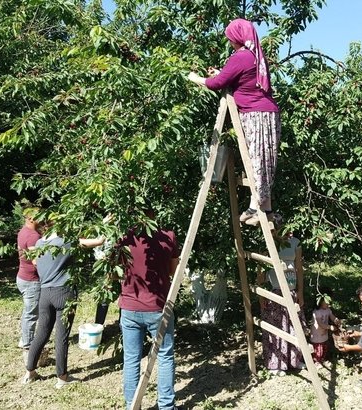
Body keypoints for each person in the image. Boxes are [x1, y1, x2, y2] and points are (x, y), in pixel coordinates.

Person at [188, 18, 281, 226]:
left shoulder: (241, 56)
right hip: (268, 113)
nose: (230, 42)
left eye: (230, 38)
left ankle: (254, 207)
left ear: (237, 38)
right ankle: (265, 208)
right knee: (265, 160)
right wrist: (222, 74)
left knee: (256, 159)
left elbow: (217, 83)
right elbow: (239, 78)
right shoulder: (256, 55)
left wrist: (196, 79)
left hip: (255, 115)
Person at [117, 207, 180, 410]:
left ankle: (131, 405)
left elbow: (114, 272)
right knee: (165, 356)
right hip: (158, 307)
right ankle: (166, 406)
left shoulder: (124, 238)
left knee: (131, 358)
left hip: (129, 307)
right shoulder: (168, 237)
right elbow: (172, 271)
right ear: (154, 214)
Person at [22, 224, 79, 389]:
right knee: (61, 337)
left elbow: (35, 261)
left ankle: (30, 372)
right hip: (64, 294)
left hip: (45, 294)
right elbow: (97, 241)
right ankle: (62, 377)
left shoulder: (40, 243)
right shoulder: (65, 242)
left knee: (41, 333)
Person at [257, 230, 305, 375]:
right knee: (276, 327)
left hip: (291, 290)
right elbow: (261, 271)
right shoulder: (268, 243)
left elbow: (299, 268)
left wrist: (300, 291)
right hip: (274, 289)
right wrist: (261, 294)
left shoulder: (295, 242)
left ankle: (294, 360)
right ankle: (275, 364)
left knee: (293, 326)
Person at [16, 208, 41, 353]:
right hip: (31, 280)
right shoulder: (32, 236)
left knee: (28, 311)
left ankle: (25, 338)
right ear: (30, 218)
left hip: (22, 276)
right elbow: (36, 261)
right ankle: (28, 344)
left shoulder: (23, 231)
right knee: (31, 313)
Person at [310, 295, 340, 364]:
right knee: (318, 349)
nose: (328, 304)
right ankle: (316, 362)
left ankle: (321, 360)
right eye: (326, 303)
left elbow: (332, 316)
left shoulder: (328, 310)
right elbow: (320, 324)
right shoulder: (317, 312)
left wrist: (336, 320)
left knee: (324, 347)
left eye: (329, 302)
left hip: (324, 333)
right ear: (320, 302)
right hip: (317, 334)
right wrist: (330, 327)